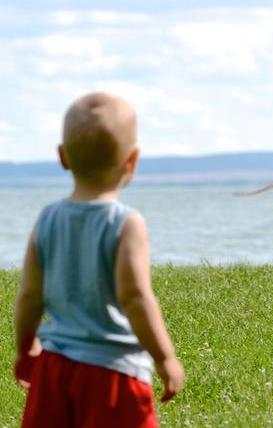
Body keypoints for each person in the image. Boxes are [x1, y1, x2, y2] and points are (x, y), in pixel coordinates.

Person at [14, 92, 184, 427]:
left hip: (54, 371)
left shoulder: (47, 219)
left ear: (63, 157)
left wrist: (25, 346)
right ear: (131, 162)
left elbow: (30, 295)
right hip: (113, 374)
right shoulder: (126, 223)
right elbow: (135, 297)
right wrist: (165, 357)